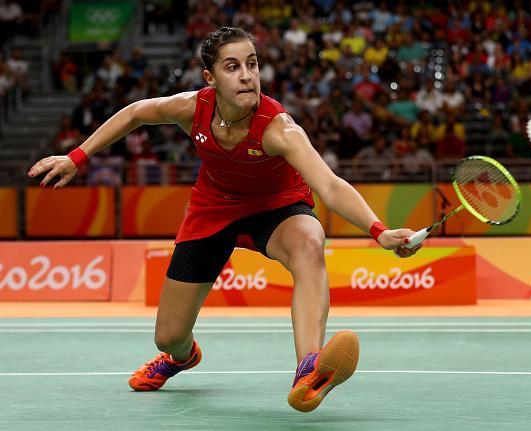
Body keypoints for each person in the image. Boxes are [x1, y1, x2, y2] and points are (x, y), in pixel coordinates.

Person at [28, 27, 421, 413]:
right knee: (168, 336)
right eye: (232, 67)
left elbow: (331, 187)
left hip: (276, 208)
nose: (247, 75)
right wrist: (76, 157)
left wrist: (379, 231)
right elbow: (135, 113)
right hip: (213, 210)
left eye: (252, 64)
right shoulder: (190, 108)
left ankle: (309, 369)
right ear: (210, 78)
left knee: (309, 241)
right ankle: (183, 357)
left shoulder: (278, 128)